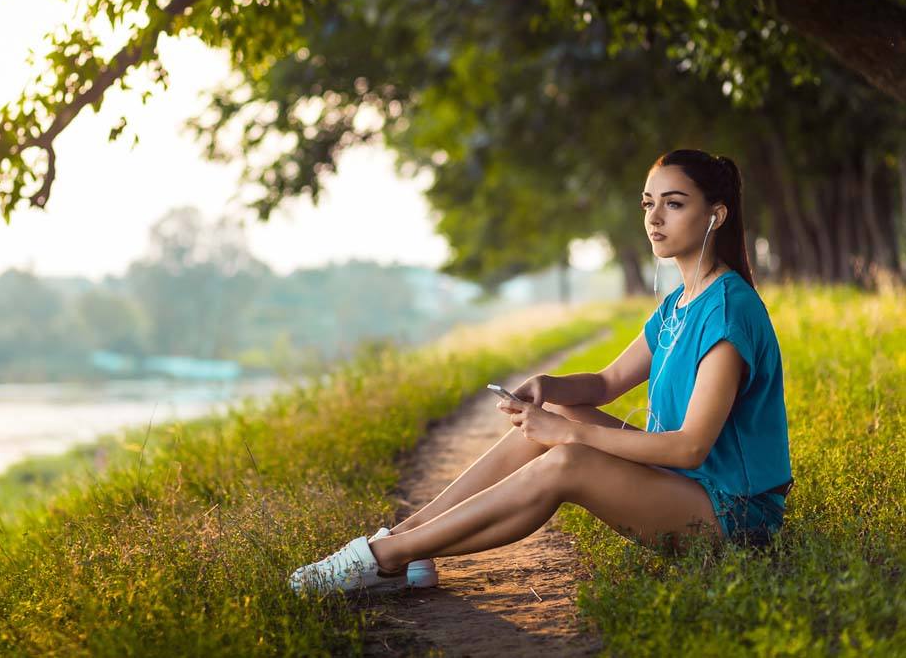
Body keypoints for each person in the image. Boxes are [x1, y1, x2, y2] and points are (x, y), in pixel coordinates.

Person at [289, 149, 794, 595]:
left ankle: (382, 561)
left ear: (716, 215)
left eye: (674, 203)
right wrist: (550, 389)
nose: (654, 218)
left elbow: (689, 447)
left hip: (732, 515)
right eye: (648, 203)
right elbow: (606, 382)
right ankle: (408, 539)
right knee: (554, 411)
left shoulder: (727, 312)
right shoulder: (679, 304)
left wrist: (568, 433)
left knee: (568, 460)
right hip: (685, 485)